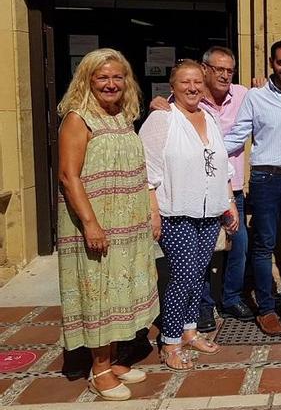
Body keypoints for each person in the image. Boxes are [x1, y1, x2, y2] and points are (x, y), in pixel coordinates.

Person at [57, 48, 160, 401]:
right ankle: (97, 371)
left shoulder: (123, 117)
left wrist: (150, 212)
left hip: (128, 224)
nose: (111, 84)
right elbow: (69, 177)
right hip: (96, 221)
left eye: (118, 77)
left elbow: (139, 171)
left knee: (121, 292)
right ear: (87, 80)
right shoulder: (77, 118)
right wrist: (90, 224)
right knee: (99, 293)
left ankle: (112, 360)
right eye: (102, 77)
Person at [139, 60, 239, 369]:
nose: (192, 87)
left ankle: (189, 330)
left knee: (198, 274)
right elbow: (148, 169)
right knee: (182, 275)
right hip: (175, 212)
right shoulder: (162, 119)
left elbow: (223, 163)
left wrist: (229, 201)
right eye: (185, 82)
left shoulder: (208, 117)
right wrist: (153, 211)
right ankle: (170, 341)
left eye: (197, 82)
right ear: (172, 87)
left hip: (208, 211)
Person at [149, 46, 256, 331]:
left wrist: (261, 84)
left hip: (223, 193)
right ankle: (190, 320)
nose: (224, 75)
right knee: (191, 266)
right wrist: (153, 210)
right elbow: (150, 161)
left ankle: (219, 306)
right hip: (187, 200)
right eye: (218, 69)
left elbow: (219, 156)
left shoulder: (237, 99)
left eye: (229, 70)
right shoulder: (173, 108)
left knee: (230, 250)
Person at [224, 40, 281, 336]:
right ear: (271, 64)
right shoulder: (256, 97)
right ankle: (266, 309)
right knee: (263, 246)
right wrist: (205, 147)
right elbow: (238, 135)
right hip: (266, 180)